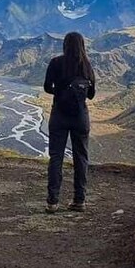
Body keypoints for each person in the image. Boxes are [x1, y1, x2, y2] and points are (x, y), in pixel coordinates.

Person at [43, 32, 95, 213]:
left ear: (64, 45)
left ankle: (52, 201)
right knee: (81, 158)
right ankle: (79, 200)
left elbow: (47, 87)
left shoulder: (56, 63)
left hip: (59, 115)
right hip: (81, 116)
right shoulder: (86, 65)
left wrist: (60, 93)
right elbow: (91, 94)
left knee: (56, 157)